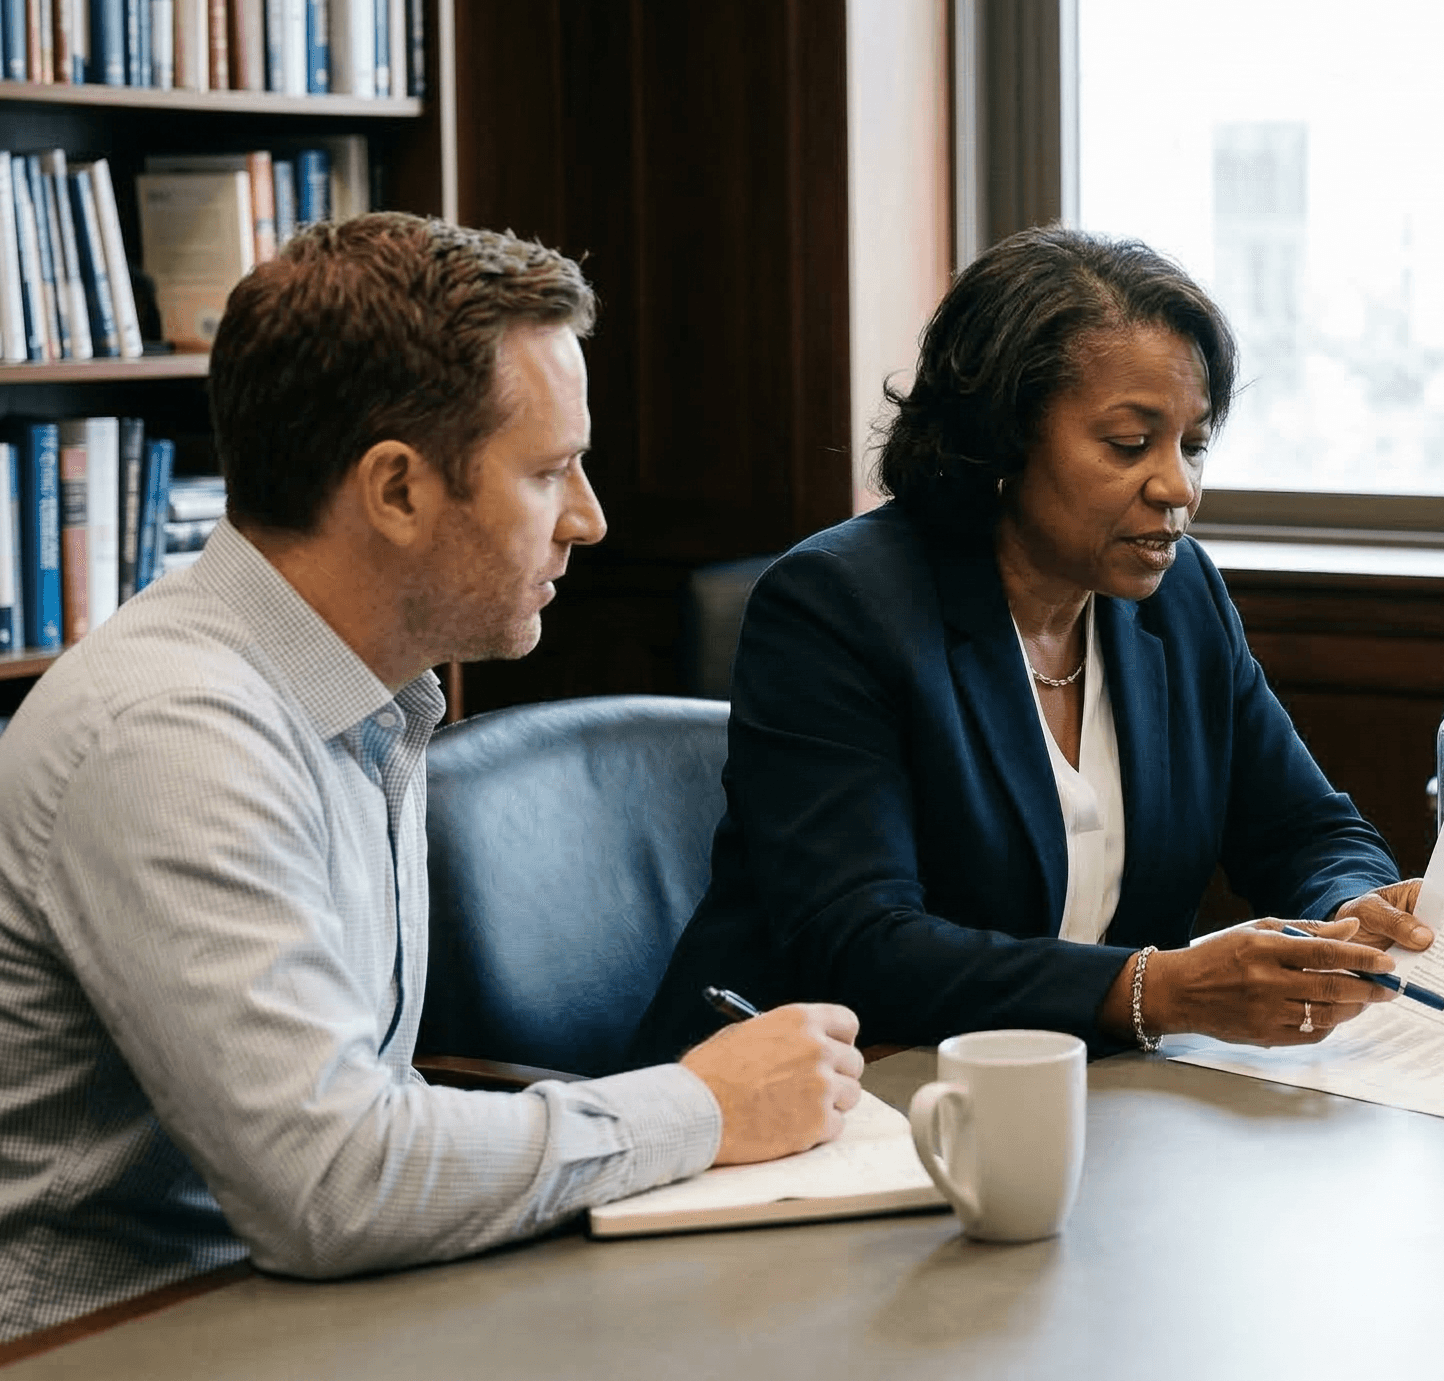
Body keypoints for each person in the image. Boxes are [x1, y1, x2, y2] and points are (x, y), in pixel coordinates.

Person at [0, 214, 864, 1343]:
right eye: (550, 471)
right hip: (119, 1338)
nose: (590, 519)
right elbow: (333, 1184)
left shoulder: (363, 694)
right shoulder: (172, 736)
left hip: (294, 1311)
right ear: (397, 491)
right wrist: (703, 1105)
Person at [635, 226, 1429, 1063]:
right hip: (824, 1101)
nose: (1179, 489)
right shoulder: (838, 604)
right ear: (1002, 439)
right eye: (1131, 445)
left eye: (1193, 446)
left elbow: (1307, 829)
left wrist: (1353, 908)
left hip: (1087, 1103)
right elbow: (860, 946)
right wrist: (1155, 988)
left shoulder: (1181, 597)